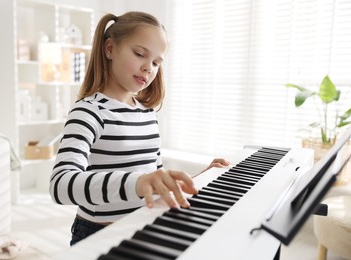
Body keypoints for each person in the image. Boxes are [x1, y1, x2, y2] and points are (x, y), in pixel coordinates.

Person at [49, 11, 229, 246]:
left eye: (156, 63)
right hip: (99, 235)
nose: (148, 68)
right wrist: (138, 183)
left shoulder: (146, 113)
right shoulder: (89, 111)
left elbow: (151, 179)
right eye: (139, 54)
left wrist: (199, 178)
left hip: (141, 227)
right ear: (110, 49)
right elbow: (61, 185)